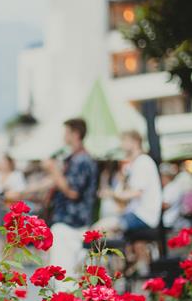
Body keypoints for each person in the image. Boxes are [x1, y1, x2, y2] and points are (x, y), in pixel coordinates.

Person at [98, 131, 162, 275]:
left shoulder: (143, 161)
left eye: (124, 140)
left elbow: (136, 192)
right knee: (107, 230)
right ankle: (126, 267)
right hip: (137, 215)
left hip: (143, 216)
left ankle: (112, 272)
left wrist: (112, 193)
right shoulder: (135, 164)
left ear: (134, 141)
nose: (121, 145)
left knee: (101, 228)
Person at [49, 118, 98, 290]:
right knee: (68, 276)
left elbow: (72, 192)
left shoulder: (82, 160)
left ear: (75, 134)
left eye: (66, 132)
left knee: (63, 277)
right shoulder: (74, 158)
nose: (63, 136)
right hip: (69, 222)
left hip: (71, 223)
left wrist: (54, 171)